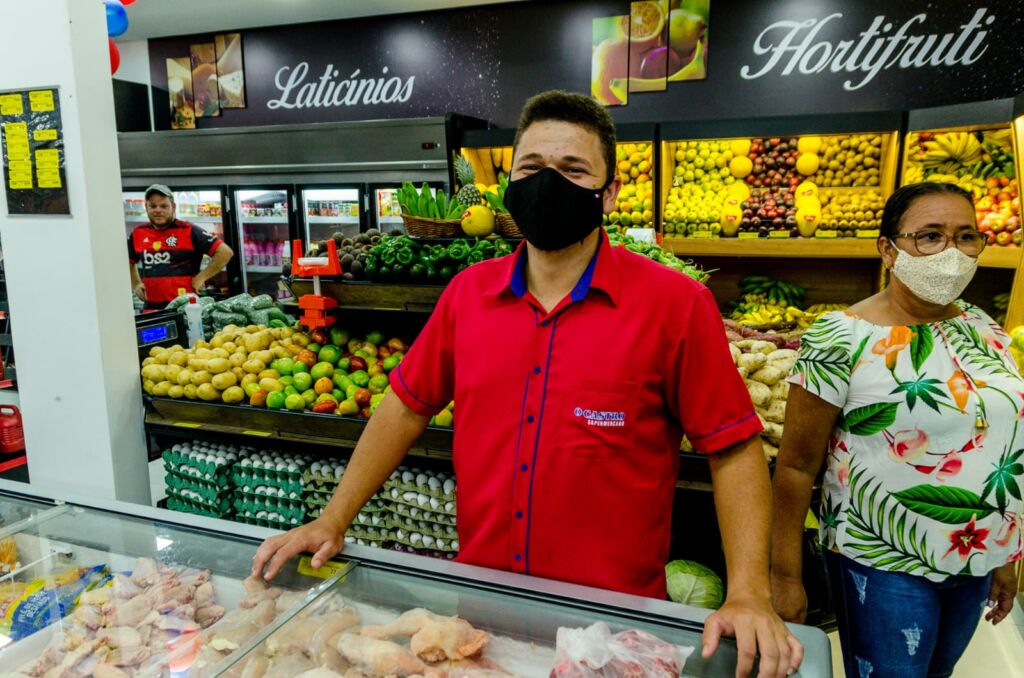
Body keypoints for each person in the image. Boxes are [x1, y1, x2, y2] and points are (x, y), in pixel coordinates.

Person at [254, 91, 802, 678]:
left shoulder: (674, 305)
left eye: (574, 170)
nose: (550, 183)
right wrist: (333, 519)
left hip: (613, 629)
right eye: (533, 168)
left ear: (609, 192)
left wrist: (750, 593)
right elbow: (404, 408)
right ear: (509, 182)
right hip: (481, 617)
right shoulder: (467, 295)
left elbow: (734, 448)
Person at [771, 182, 1022, 678]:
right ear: (887, 248)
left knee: (938, 673)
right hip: (882, 561)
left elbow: (1003, 443)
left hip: (974, 553)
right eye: (929, 236)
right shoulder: (838, 337)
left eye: (966, 236)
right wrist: (783, 575)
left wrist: (1006, 555)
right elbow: (798, 466)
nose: (951, 252)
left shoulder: (982, 325)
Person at [128, 184, 233, 309]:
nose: (158, 210)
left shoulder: (189, 230)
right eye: (153, 206)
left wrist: (201, 278)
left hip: (185, 308)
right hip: (152, 309)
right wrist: (136, 284)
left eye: (164, 206)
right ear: (146, 207)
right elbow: (128, 261)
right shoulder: (138, 233)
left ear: (173, 207)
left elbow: (225, 252)